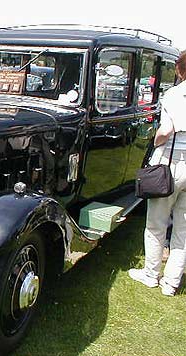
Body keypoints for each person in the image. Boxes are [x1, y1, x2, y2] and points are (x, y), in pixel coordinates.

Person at [128, 51, 186, 296]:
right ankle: (172, 283)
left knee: (156, 223)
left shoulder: (175, 94)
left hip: (173, 163)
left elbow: (167, 129)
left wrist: (156, 138)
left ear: (181, 69)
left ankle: (151, 274)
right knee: (183, 228)